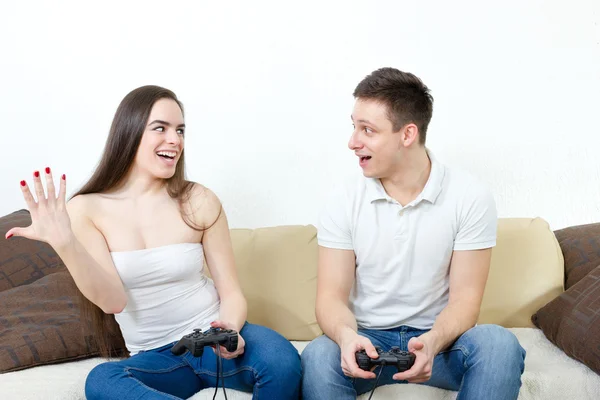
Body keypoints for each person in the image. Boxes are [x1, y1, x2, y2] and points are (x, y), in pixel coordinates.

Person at [5, 85, 302, 400]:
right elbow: (112, 302)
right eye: (161, 128)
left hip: (210, 338)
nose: (175, 140)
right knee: (102, 381)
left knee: (282, 359)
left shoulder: (198, 199)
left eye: (180, 130)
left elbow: (231, 292)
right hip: (157, 356)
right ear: (130, 133)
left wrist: (226, 330)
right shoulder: (86, 209)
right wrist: (65, 242)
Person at [301, 68, 526, 400]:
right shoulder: (343, 199)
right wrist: (348, 337)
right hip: (367, 344)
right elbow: (330, 299)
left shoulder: (469, 196)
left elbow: (466, 302)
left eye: (367, 130)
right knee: (318, 356)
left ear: (407, 134)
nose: (353, 142)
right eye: (354, 127)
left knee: (499, 344)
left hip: (439, 344)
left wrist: (433, 342)